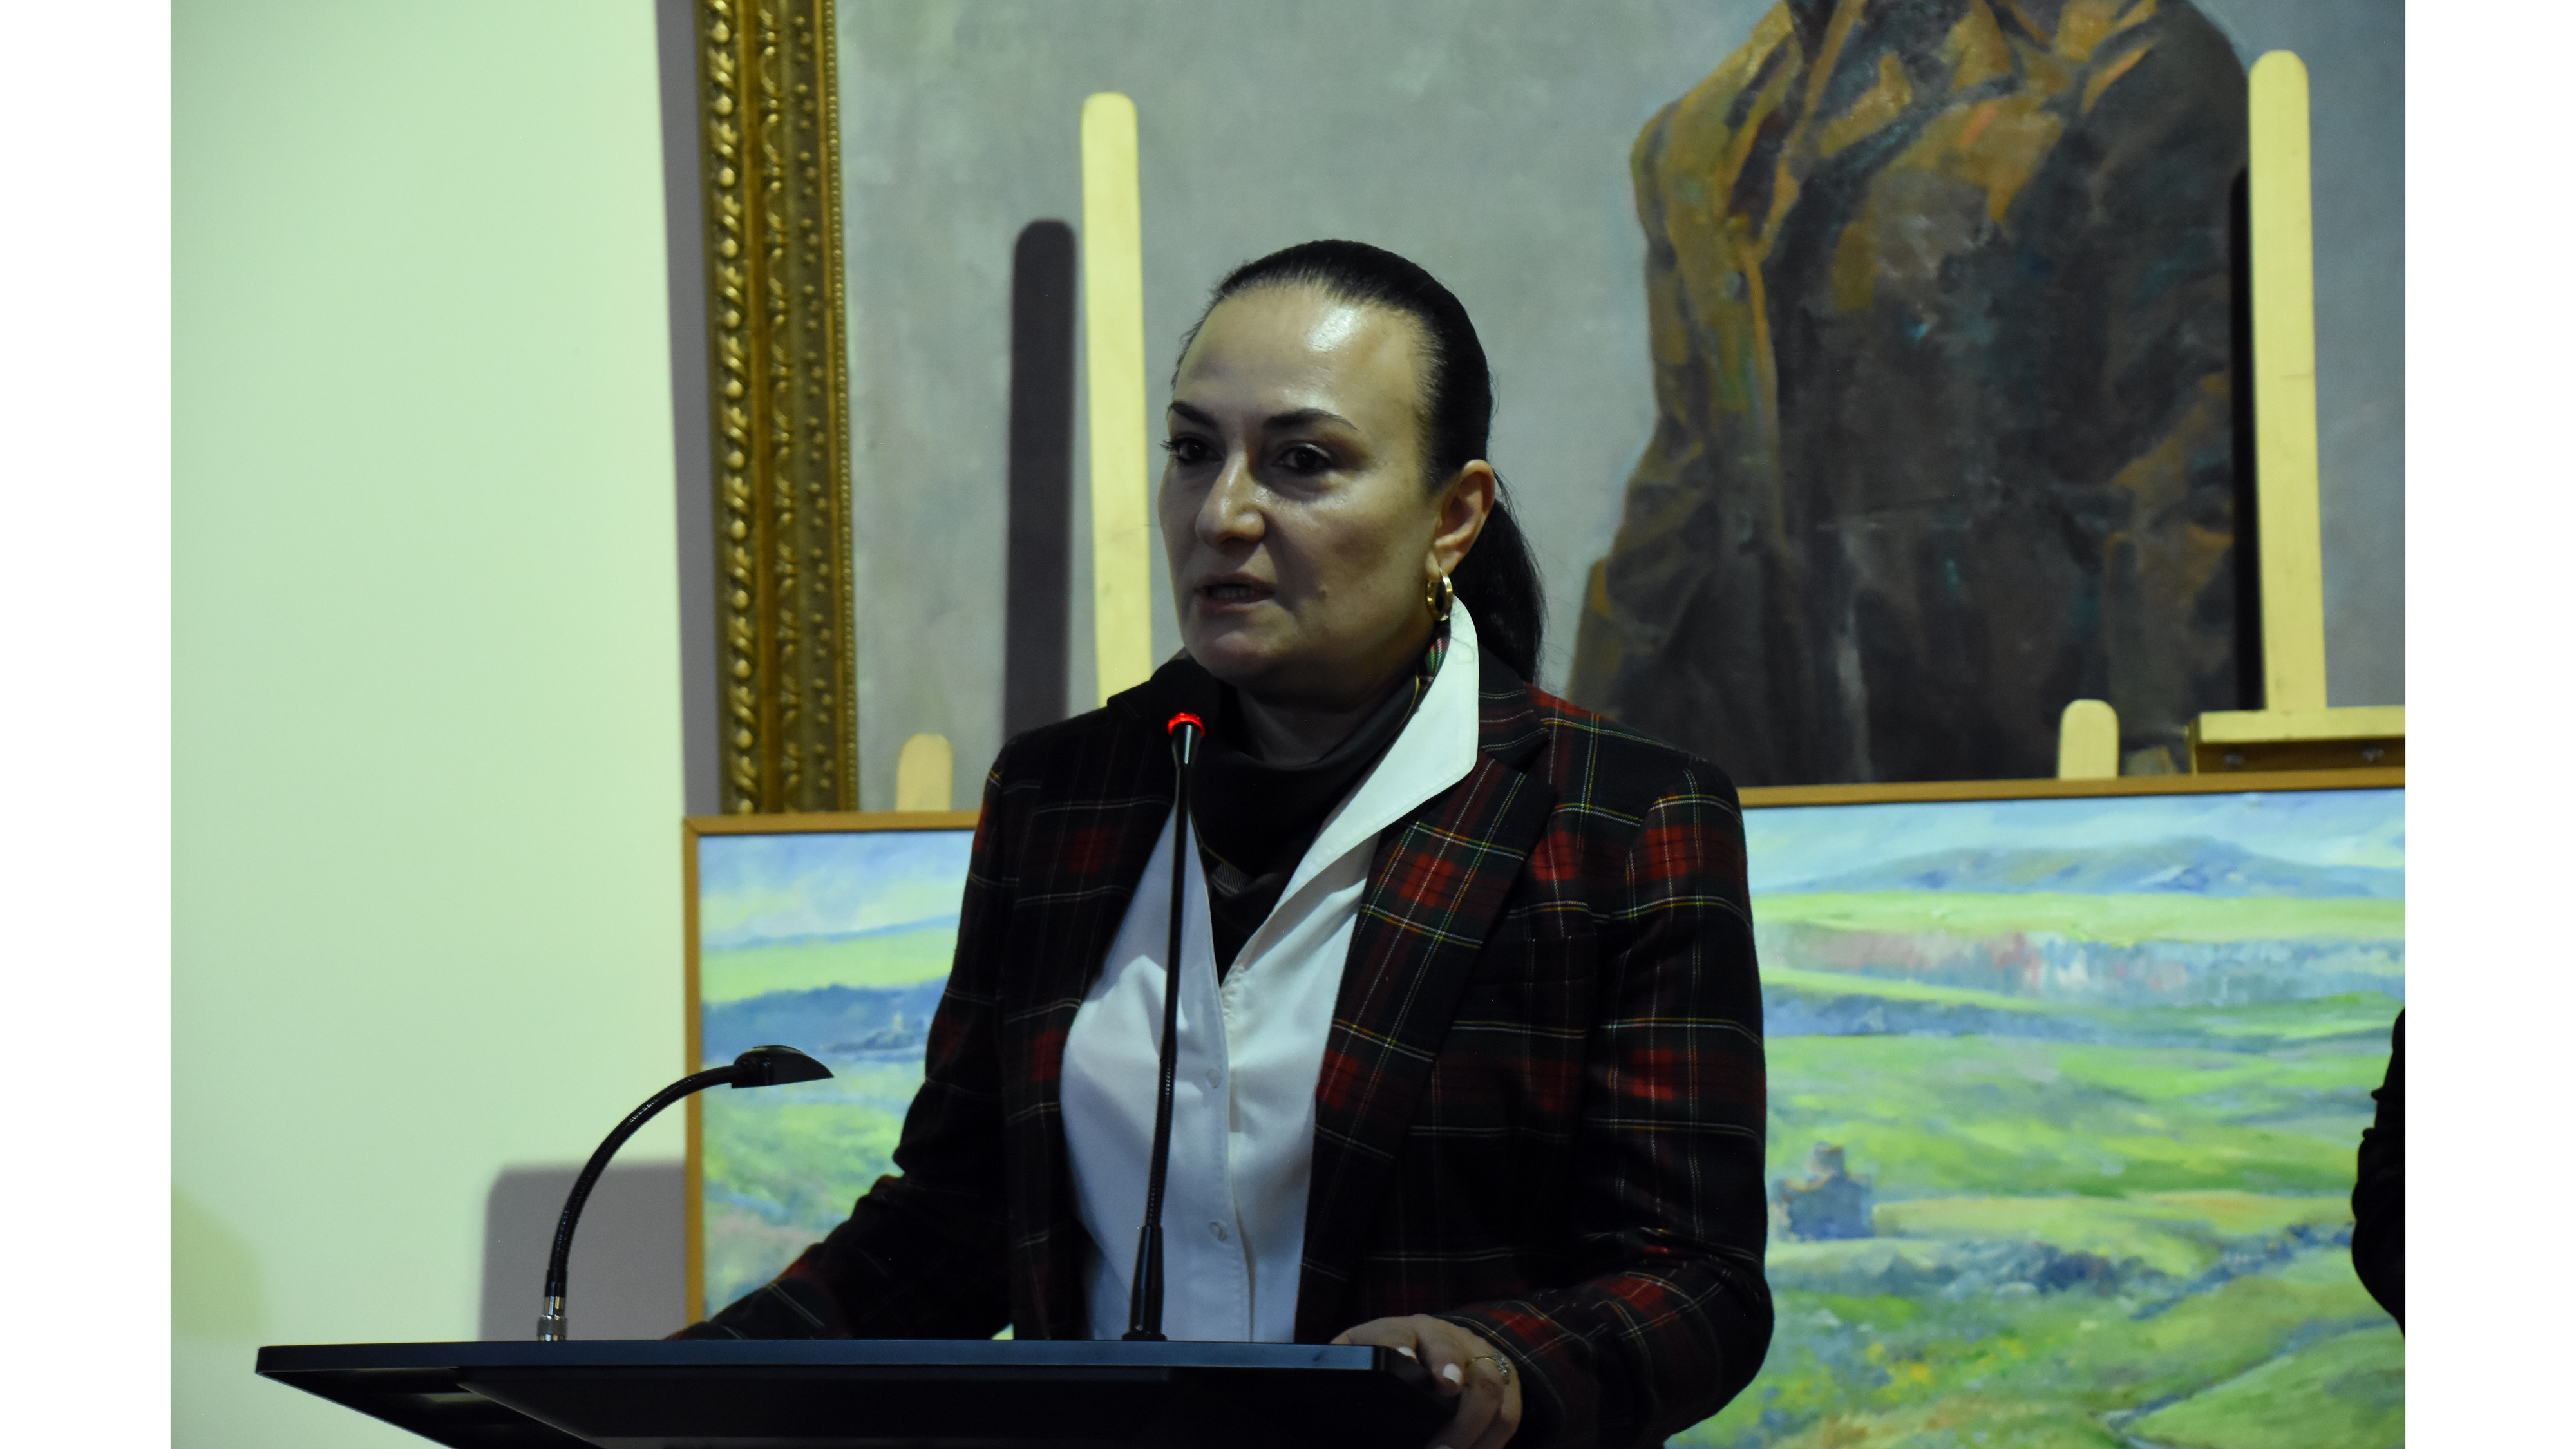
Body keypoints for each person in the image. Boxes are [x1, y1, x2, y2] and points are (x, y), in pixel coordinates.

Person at [678, 240, 1774, 1449]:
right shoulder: (1058, 795)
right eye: (1193, 450)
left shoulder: (1622, 818)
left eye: (1303, 462)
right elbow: (957, 1216)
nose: (1221, 512)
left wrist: (1504, 1361)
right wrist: (668, 1390)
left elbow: (1698, 1281)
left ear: (1454, 515)